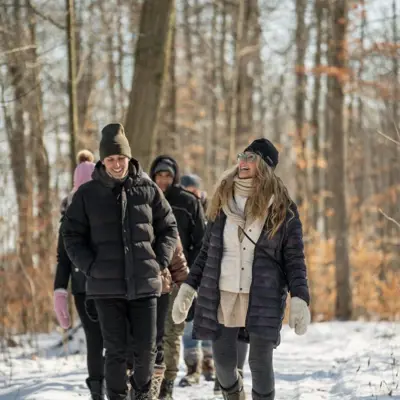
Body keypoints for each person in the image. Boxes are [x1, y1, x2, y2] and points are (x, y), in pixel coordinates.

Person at [172, 138, 311, 400]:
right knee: (224, 365)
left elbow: (294, 259)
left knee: (259, 363)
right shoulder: (222, 202)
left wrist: (300, 298)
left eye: (251, 158)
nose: (243, 162)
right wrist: (189, 288)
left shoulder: (282, 209)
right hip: (223, 292)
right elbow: (206, 253)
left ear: (265, 166)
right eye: (242, 156)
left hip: (263, 294)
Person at [62, 124, 178, 400]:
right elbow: (71, 235)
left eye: (121, 158)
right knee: (114, 350)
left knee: (147, 349)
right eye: (111, 159)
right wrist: (91, 267)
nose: (117, 164)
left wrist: (159, 261)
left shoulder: (148, 189)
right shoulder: (87, 194)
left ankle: (141, 395)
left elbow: (169, 227)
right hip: (106, 287)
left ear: (129, 158)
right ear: (103, 160)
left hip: (145, 283)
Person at [180, 173, 249, 394]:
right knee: (192, 321)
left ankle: (218, 368)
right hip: (193, 271)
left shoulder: (214, 209)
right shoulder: (181, 209)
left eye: (193, 189)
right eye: (186, 189)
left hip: (221, 276)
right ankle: (196, 366)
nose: (190, 193)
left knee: (220, 322)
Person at [149, 156, 206, 399]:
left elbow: (201, 243)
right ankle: (151, 380)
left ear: (175, 177)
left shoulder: (187, 202)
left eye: (168, 176)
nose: (163, 180)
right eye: (159, 175)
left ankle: (167, 385)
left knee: (172, 334)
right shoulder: (143, 199)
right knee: (152, 335)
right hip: (149, 278)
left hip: (180, 279)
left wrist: (191, 280)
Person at [54, 150, 105, 400]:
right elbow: (63, 258)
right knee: (97, 339)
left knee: (108, 339)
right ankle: (98, 389)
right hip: (86, 288)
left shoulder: (108, 208)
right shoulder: (69, 216)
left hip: (108, 284)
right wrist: (59, 291)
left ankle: (111, 386)